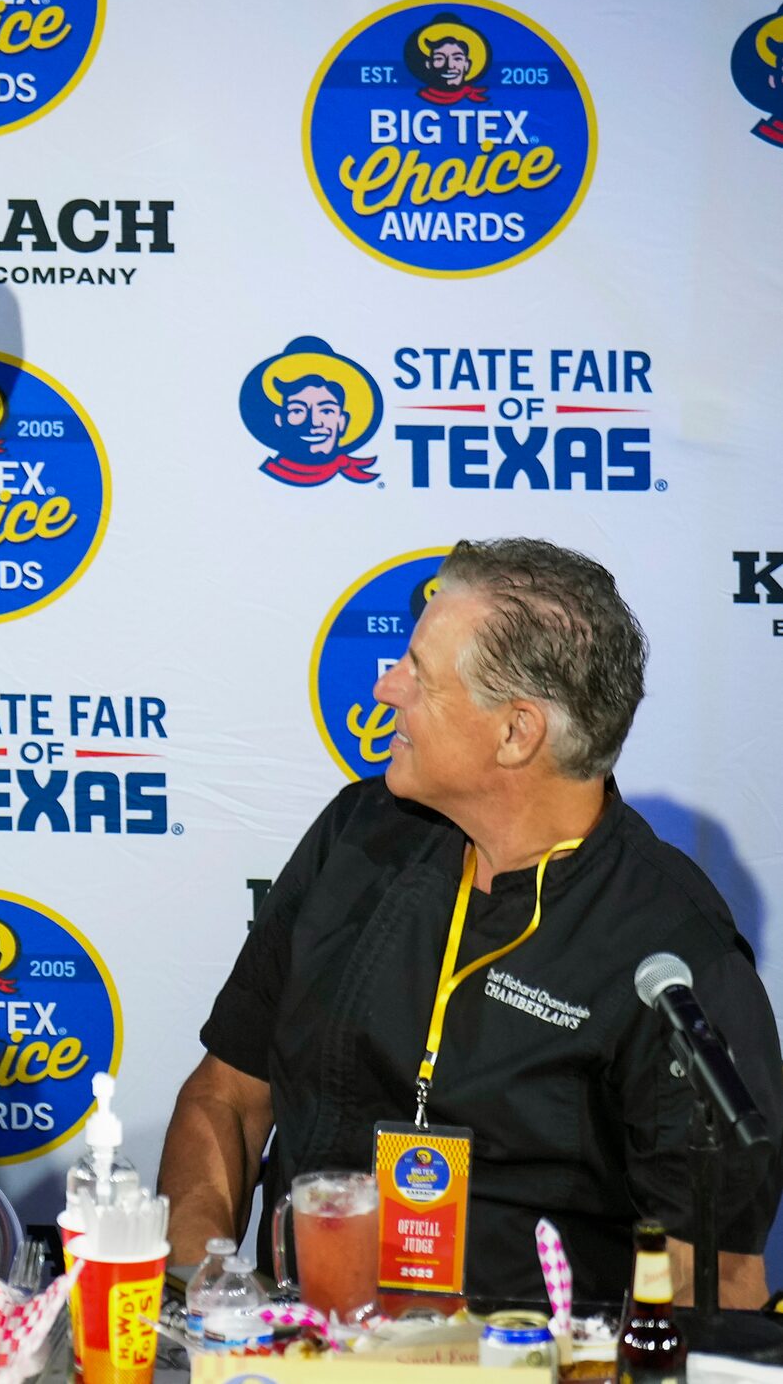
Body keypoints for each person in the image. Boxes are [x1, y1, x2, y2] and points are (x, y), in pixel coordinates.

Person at [156, 538, 783, 1304]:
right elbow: (225, 1096)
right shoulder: (360, 833)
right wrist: (201, 1293)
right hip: (297, 1346)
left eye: (419, 674)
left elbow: (718, 1280)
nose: (386, 687)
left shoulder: (674, 955)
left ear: (517, 732)